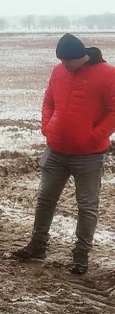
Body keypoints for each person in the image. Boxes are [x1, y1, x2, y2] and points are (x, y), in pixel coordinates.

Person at [12, 34, 115, 275]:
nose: (65, 65)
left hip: (89, 155)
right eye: (61, 60)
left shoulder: (108, 74)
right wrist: (47, 127)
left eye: (68, 61)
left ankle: (80, 256)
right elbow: (48, 101)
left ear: (82, 56)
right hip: (55, 150)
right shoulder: (59, 71)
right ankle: (37, 246)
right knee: (45, 199)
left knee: (87, 206)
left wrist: (94, 135)